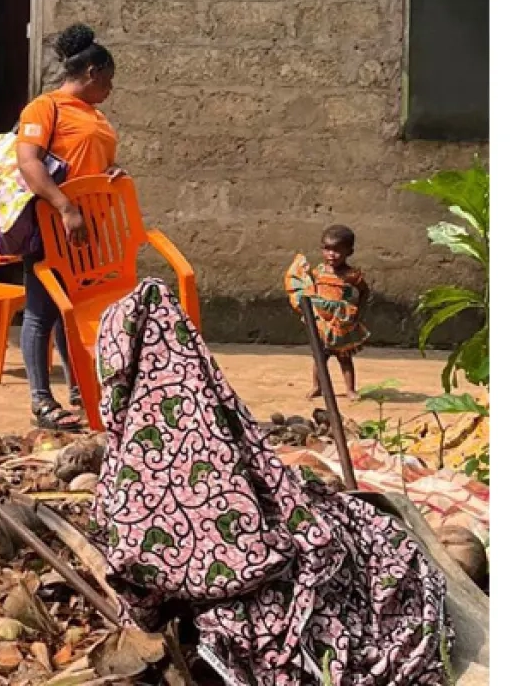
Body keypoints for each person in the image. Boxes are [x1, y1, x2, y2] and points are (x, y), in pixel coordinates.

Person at [94, 278, 452, 686]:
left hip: (245, 598)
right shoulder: (208, 404)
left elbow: (138, 579)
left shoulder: (132, 463)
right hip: (276, 569)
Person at [14, 24, 122, 431]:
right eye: (108, 80)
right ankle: (41, 401)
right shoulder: (45, 108)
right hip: (51, 227)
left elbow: (89, 163)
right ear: (92, 72)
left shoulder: (95, 115)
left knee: (70, 312)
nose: (110, 89)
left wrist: (110, 174)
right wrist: (63, 205)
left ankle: (79, 390)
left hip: (86, 233)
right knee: (41, 312)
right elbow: (29, 162)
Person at [284, 224, 373, 398]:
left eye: (337, 250)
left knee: (344, 357)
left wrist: (359, 312)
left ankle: (350, 389)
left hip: (341, 324)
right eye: (327, 249)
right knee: (320, 357)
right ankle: (317, 387)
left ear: (349, 252)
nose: (331, 254)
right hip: (322, 324)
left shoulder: (351, 275)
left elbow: (364, 291)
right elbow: (311, 290)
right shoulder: (319, 272)